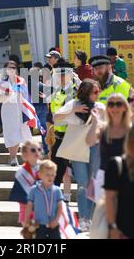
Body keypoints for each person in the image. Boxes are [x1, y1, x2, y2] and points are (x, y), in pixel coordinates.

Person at [54, 79, 105, 231]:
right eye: (95, 92)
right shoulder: (74, 104)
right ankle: (84, 218)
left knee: (94, 183)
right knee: (83, 184)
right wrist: (72, 111)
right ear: (86, 92)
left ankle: (94, 217)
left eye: (99, 91)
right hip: (78, 150)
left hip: (95, 148)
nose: (98, 94)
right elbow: (56, 117)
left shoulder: (100, 107)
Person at [88, 93, 131, 203]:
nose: (115, 107)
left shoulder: (131, 129)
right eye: (111, 104)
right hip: (104, 176)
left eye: (118, 104)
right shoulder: (103, 128)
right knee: (104, 216)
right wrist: (95, 122)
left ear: (125, 107)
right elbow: (89, 142)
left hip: (126, 176)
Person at [0, 61, 33, 166]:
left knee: (20, 133)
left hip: (20, 110)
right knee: (10, 133)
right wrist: (6, 95)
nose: (12, 69)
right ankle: (12, 156)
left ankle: (14, 157)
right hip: (8, 110)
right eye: (9, 67)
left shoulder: (21, 80)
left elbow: (27, 96)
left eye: (13, 67)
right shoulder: (2, 82)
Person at [48, 60, 78, 188]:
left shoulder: (76, 91)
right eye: (57, 74)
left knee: (75, 171)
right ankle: (55, 198)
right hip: (58, 136)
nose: (60, 77)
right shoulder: (57, 91)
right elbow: (52, 112)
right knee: (56, 171)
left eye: (63, 73)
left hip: (72, 136)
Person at [24, 160, 64, 239]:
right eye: (47, 175)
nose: (50, 177)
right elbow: (29, 205)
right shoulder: (34, 190)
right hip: (39, 224)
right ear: (40, 175)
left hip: (53, 224)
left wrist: (56, 220)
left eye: (52, 175)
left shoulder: (57, 190)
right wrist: (27, 219)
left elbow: (60, 207)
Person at [8, 140, 41, 227]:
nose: (37, 152)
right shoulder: (21, 172)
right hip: (25, 207)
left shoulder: (43, 168)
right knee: (28, 232)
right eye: (33, 150)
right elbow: (19, 192)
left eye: (39, 149)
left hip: (41, 208)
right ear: (25, 154)